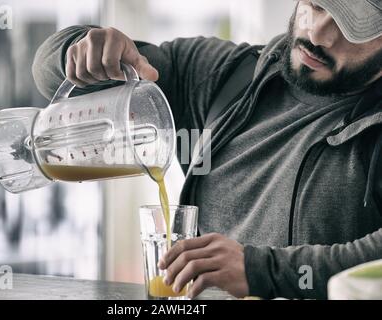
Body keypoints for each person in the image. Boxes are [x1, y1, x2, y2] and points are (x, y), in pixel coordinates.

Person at [32, 0, 382, 299]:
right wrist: (80, 52)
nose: (318, 33)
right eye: (316, 5)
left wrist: (261, 270)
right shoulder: (224, 76)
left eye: (350, 25)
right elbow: (51, 77)